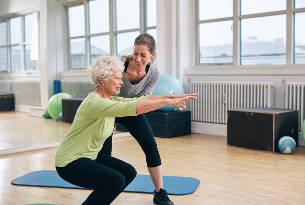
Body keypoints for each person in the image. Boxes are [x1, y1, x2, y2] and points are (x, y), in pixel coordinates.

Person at [55, 55, 198, 205]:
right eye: (117, 78)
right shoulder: (94, 103)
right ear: (102, 79)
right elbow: (134, 107)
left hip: (89, 155)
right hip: (70, 162)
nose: (121, 82)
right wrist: (167, 102)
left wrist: (173, 97)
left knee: (128, 173)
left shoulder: (109, 99)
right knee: (115, 180)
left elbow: (140, 100)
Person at [100, 33, 187, 205]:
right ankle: (104, 188)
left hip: (133, 110)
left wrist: (166, 100)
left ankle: (159, 193)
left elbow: (144, 98)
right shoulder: (119, 64)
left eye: (143, 55)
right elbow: (104, 90)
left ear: (152, 55)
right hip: (110, 109)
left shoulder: (153, 72)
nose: (138, 59)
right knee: (104, 154)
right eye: (135, 54)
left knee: (151, 146)